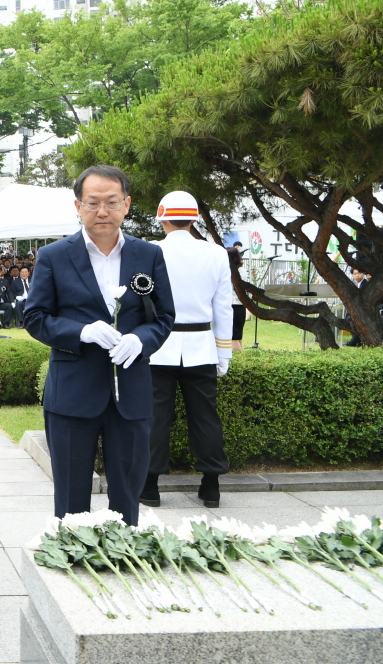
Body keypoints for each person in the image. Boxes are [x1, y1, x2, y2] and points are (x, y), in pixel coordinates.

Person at [23, 166, 174, 525]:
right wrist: (81, 332)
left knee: (128, 494)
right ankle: (72, 561)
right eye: (92, 203)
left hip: (131, 391)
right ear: (78, 205)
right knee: (71, 497)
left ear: (127, 204)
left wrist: (141, 339)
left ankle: (125, 561)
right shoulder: (54, 256)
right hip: (73, 392)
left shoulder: (148, 255)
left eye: (111, 202)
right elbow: (35, 318)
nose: (101, 211)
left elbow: (164, 317)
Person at [143, 193, 234, 509]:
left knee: (155, 416)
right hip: (201, 347)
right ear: (194, 219)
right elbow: (224, 307)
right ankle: (211, 486)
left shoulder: (150, 251)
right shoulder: (216, 253)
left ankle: (150, 487)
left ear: (162, 218)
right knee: (205, 416)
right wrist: (224, 353)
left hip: (158, 346)